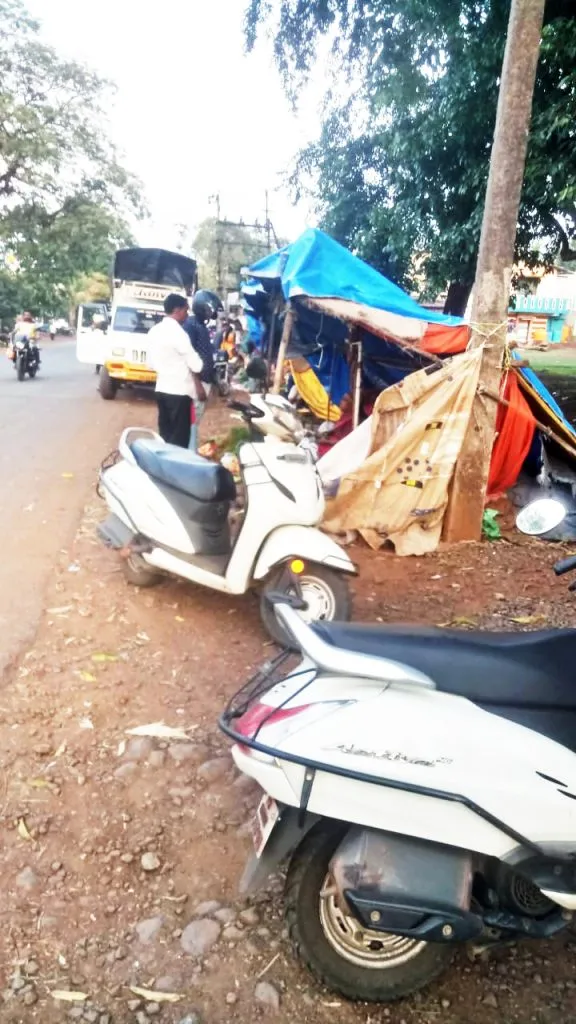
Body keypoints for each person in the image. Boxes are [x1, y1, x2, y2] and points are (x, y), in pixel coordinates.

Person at [147, 293, 204, 448]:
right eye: (186, 311)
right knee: (179, 442)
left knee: (165, 437)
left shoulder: (154, 331)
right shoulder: (179, 334)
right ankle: (176, 470)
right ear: (177, 310)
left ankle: (164, 470)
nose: (187, 315)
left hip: (161, 390)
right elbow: (197, 365)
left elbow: (150, 364)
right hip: (180, 393)